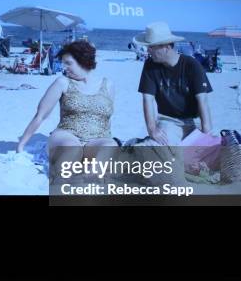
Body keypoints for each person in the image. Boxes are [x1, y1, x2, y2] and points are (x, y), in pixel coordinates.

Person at [17, 41, 118, 182]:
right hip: (67, 135)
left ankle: (86, 175)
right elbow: (40, 115)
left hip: (97, 139)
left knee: (111, 146)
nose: (64, 68)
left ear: (83, 60)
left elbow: (106, 119)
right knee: (72, 150)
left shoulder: (108, 85)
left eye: (68, 63)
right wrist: (21, 144)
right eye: (63, 63)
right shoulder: (62, 82)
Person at [135, 22, 213, 147]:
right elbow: (147, 99)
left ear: (166, 47)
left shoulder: (192, 65)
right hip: (169, 121)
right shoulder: (150, 65)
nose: (148, 50)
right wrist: (152, 129)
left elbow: (203, 100)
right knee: (154, 147)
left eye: (151, 47)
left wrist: (206, 134)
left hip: (194, 122)